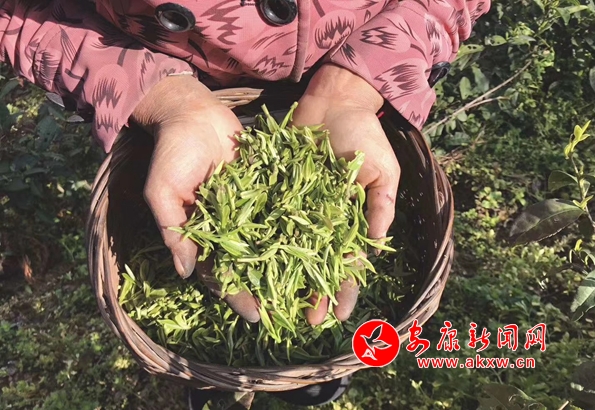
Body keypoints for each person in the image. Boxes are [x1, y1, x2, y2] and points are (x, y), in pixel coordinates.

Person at [0, 0, 490, 408]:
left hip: (352, 88)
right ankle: (215, 380)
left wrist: (361, 79)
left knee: (325, 310)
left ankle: (306, 375)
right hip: (167, 112)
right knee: (194, 270)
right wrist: (156, 93)